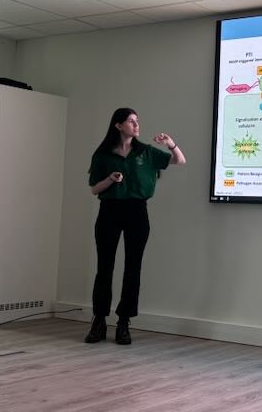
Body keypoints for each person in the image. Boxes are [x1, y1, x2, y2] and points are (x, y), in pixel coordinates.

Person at [84, 107, 185, 345]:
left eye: (137, 121)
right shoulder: (103, 154)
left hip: (137, 211)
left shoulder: (146, 152)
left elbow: (179, 160)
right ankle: (99, 320)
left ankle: (124, 322)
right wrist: (110, 179)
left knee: (133, 268)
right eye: (131, 121)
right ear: (118, 125)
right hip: (109, 211)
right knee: (104, 267)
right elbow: (94, 189)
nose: (136, 125)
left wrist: (170, 144)